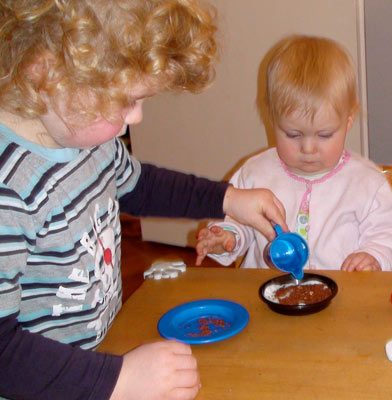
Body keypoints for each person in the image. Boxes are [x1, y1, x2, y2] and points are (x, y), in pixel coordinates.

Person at [0, 1, 287, 399]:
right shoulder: (9, 190)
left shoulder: (89, 143)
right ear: (44, 72)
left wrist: (228, 198)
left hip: (95, 355)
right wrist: (116, 380)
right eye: (126, 99)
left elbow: (141, 185)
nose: (137, 118)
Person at [195, 34, 392, 272]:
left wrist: (375, 256)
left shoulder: (367, 183)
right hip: (266, 297)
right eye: (293, 135)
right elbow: (238, 219)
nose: (308, 149)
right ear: (273, 120)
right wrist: (227, 238)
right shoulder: (255, 173)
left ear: (349, 120)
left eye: (325, 135)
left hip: (341, 297)